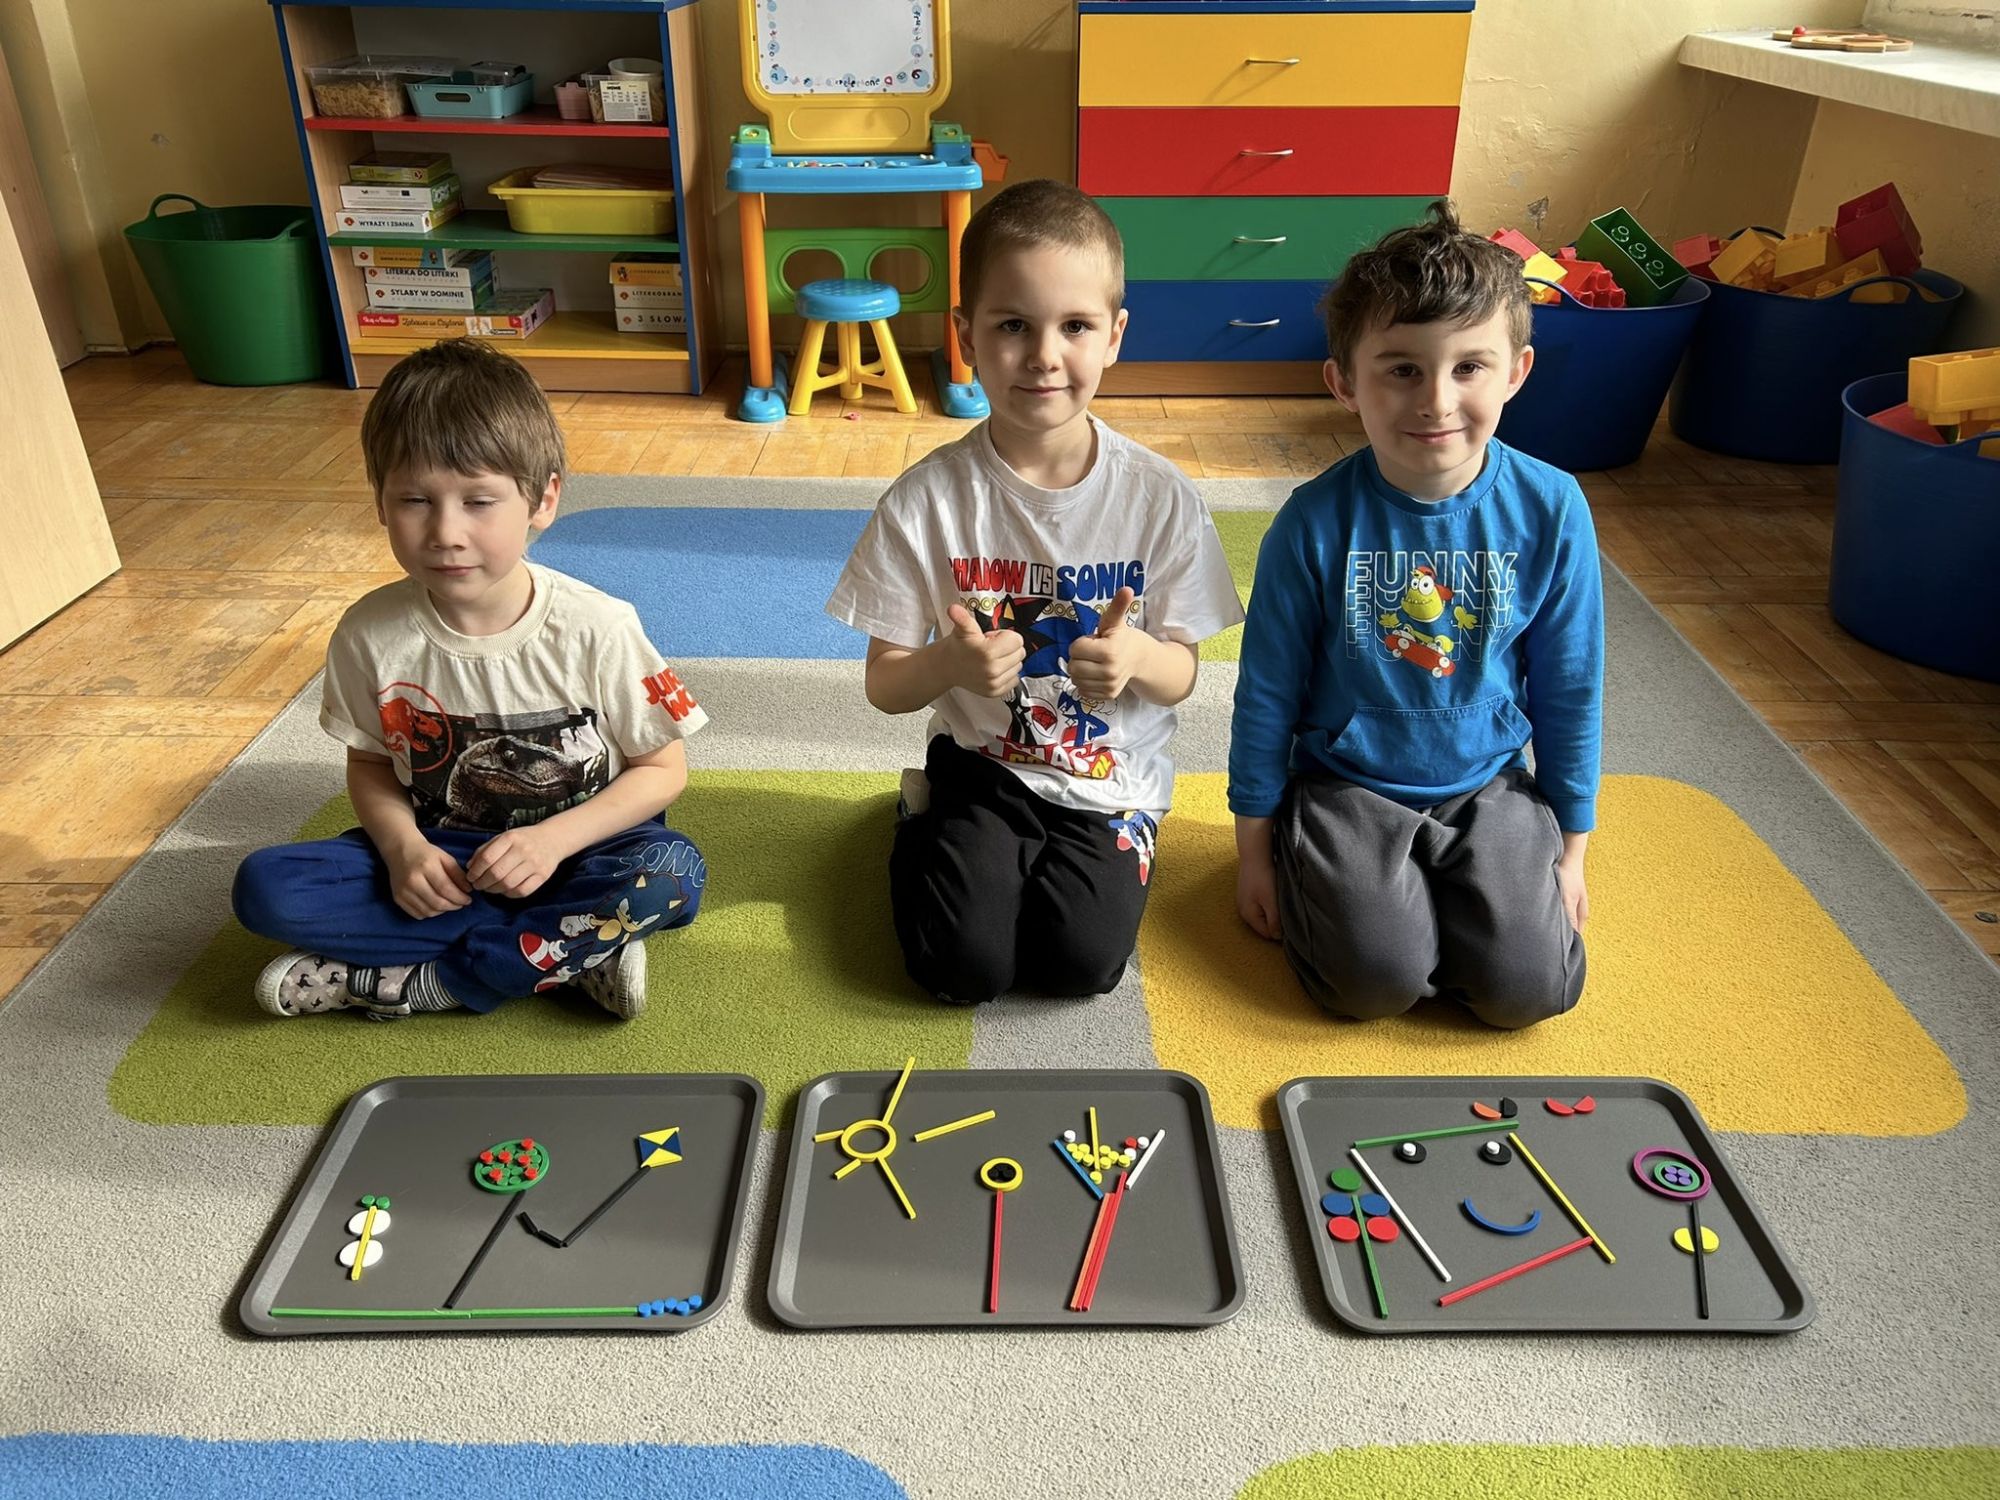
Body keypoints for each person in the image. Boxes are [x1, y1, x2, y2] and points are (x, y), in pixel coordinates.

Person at [826, 178, 1243, 1006]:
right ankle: (918, 818)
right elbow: (885, 685)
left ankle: (1104, 848)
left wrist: (1137, 657)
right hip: (984, 769)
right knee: (960, 969)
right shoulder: (926, 502)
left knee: (1079, 966)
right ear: (966, 336)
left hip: (1113, 780)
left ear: (1114, 336)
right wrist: (949, 664)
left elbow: (1182, 676)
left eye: (1075, 326)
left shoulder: (1160, 498)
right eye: (1013, 325)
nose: (1045, 355)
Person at [231, 339, 708, 1020]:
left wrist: (552, 841)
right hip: (444, 855)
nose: (445, 531)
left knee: (671, 873)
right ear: (380, 502)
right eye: (414, 499)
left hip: (587, 849)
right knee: (266, 889)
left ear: (543, 500)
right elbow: (370, 766)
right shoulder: (367, 634)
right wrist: (403, 852)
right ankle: (568, 953)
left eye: (479, 501)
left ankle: (437, 980)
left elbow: (662, 770)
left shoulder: (600, 626)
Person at [1229, 200, 1601, 1029]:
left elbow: (1571, 688)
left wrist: (1572, 851)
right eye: (1401, 369)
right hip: (1345, 784)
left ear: (1516, 372)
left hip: (1490, 784)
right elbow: (1266, 695)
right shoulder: (1312, 523)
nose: (1435, 400)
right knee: (1372, 984)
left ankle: (1450, 899)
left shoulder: (1553, 508)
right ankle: (1326, 864)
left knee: (1528, 990)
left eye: (1469, 367)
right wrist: (1253, 848)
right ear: (1344, 383)